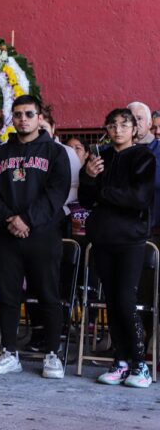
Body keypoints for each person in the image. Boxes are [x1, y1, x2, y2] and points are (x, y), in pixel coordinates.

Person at [0, 95, 71, 379]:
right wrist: (10, 218)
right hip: (6, 235)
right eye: (18, 114)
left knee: (48, 296)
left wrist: (28, 219)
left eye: (28, 114)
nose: (23, 119)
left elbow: (57, 192)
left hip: (42, 234)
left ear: (39, 116)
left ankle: (53, 355)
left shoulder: (55, 152)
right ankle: (10, 352)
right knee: (8, 297)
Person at [80, 108, 156, 388]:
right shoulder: (100, 157)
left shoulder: (143, 156)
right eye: (112, 125)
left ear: (135, 129)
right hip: (103, 237)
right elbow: (87, 201)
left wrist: (102, 193)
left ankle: (140, 364)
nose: (118, 130)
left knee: (126, 299)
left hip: (130, 239)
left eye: (124, 125)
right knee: (111, 301)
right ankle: (120, 362)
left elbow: (138, 197)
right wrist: (88, 177)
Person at [128, 102, 160, 232]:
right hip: (125, 228)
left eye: (140, 118)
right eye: (131, 119)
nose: (135, 122)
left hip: (156, 228)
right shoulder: (114, 151)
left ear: (149, 123)